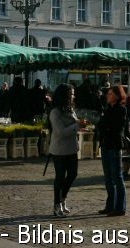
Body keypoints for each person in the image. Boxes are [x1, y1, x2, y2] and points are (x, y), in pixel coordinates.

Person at [48, 84, 80, 218]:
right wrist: (77, 125)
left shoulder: (70, 109)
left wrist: (79, 125)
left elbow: (73, 124)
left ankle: (63, 197)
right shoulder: (55, 112)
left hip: (72, 148)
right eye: (71, 94)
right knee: (60, 177)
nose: (73, 96)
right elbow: (61, 131)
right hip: (60, 149)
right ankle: (56, 204)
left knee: (72, 174)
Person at [96, 85, 127, 216]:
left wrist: (105, 126)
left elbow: (116, 127)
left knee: (117, 176)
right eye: (108, 94)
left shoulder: (121, 109)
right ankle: (110, 205)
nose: (108, 96)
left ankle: (120, 207)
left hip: (114, 145)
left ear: (117, 95)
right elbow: (101, 124)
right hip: (105, 144)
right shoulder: (107, 109)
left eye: (110, 94)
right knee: (108, 177)